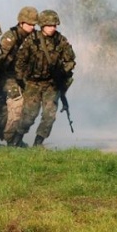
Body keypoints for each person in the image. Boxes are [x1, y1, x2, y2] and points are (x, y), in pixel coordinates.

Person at [12, 9, 76, 148]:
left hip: (51, 84)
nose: (53, 28)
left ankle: (38, 143)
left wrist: (62, 71)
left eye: (54, 25)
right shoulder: (32, 40)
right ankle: (16, 140)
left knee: (50, 116)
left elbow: (71, 60)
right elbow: (20, 61)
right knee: (29, 116)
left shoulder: (61, 41)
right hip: (33, 83)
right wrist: (21, 80)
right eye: (49, 25)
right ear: (42, 25)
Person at [0, 6, 39, 146]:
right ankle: (10, 139)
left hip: (24, 77)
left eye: (34, 24)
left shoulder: (34, 37)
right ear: (21, 22)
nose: (33, 27)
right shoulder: (11, 37)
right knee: (16, 103)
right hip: (8, 76)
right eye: (30, 24)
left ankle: (16, 138)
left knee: (28, 108)